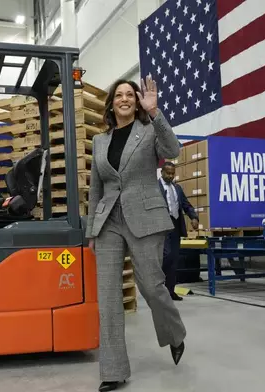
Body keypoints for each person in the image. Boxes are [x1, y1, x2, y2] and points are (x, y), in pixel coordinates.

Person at [85, 75, 187, 391]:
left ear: (137, 101)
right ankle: (113, 371)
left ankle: (175, 333)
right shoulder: (100, 141)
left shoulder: (148, 131)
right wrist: (91, 230)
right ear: (111, 103)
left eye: (130, 94)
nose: (125, 99)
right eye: (119, 95)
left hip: (145, 217)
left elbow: (174, 150)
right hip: (108, 221)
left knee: (151, 286)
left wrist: (156, 113)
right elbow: (96, 187)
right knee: (109, 296)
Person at [158, 161, 199, 300]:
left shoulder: (177, 188)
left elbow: (186, 205)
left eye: (172, 174)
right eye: (167, 173)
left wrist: (194, 217)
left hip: (175, 226)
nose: (170, 176)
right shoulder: (154, 188)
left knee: (174, 259)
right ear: (162, 172)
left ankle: (170, 291)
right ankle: (159, 290)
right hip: (161, 227)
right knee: (166, 256)